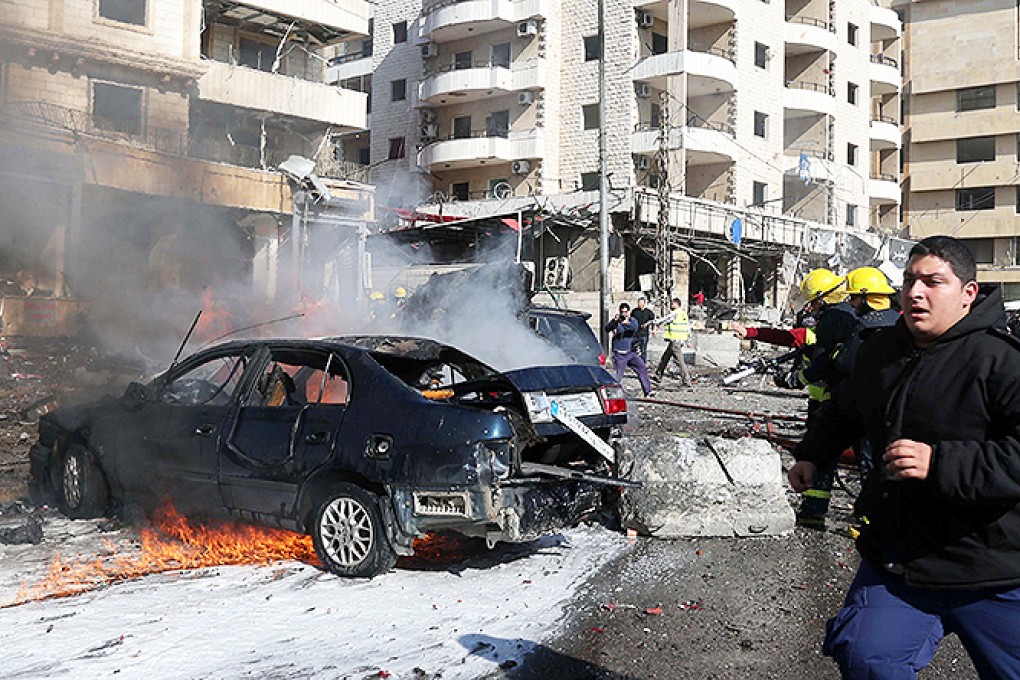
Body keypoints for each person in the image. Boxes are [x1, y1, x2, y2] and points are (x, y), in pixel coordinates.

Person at [790, 236, 1020, 678]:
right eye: (911, 281)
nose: (916, 292)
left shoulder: (1002, 361)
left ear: (968, 293)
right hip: (900, 559)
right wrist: (813, 454)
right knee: (866, 657)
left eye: (933, 282)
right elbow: (843, 408)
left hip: (994, 567)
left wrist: (939, 463)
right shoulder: (881, 351)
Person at [604, 302, 654, 397]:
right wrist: (614, 321)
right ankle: (611, 392)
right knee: (618, 374)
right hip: (619, 353)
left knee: (642, 367)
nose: (624, 314)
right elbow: (607, 328)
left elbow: (635, 327)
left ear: (629, 312)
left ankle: (648, 391)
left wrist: (626, 323)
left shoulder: (632, 320)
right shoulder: (616, 322)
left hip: (630, 352)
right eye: (622, 312)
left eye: (626, 312)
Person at [652, 297, 693, 387]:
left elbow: (665, 319)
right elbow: (688, 328)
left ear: (676, 304)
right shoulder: (683, 314)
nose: (670, 305)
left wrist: (655, 322)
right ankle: (658, 375)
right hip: (677, 341)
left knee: (680, 361)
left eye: (672, 303)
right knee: (665, 358)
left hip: (675, 341)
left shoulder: (675, 313)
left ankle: (686, 380)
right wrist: (688, 340)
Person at [630, 296, 656, 362]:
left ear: (644, 304)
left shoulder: (648, 312)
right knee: (633, 348)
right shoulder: (634, 311)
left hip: (644, 334)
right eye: (639, 303)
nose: (640, 305)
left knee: (643, 349)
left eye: (641, 303)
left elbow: (654, 321)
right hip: (635, 333)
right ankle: (634, 362)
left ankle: (643, 363)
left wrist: (653, 329)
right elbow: (631, 320)